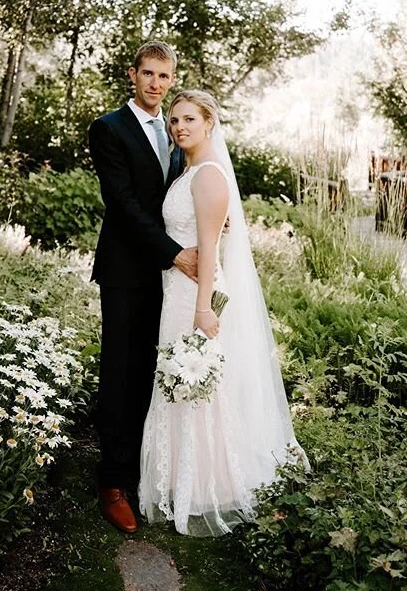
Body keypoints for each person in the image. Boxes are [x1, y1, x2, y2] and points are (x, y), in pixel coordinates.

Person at [139, 89, 308, 537]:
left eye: (189, 119)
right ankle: (182, 478)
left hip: (196, 294)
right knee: (183, 381)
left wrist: (202, 309)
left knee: (197, 380)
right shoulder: (189, 169)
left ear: (209, 121)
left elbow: (211, 249)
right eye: (174, 120)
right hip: (177, 289)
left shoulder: (209, 175)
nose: (179, 127)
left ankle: (210, 484)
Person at [88, 42, 197, 534]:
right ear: (132, 74)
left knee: (154, 372)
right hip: (128, 271)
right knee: (120, 371)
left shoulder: (176, 133)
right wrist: (174, 252)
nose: (156, 83)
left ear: (172, 79)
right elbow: (124, 205)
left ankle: (143, 470)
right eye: (148, 74)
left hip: (167, 279)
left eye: (164, 76)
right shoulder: (108, 129)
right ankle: (111, 482)